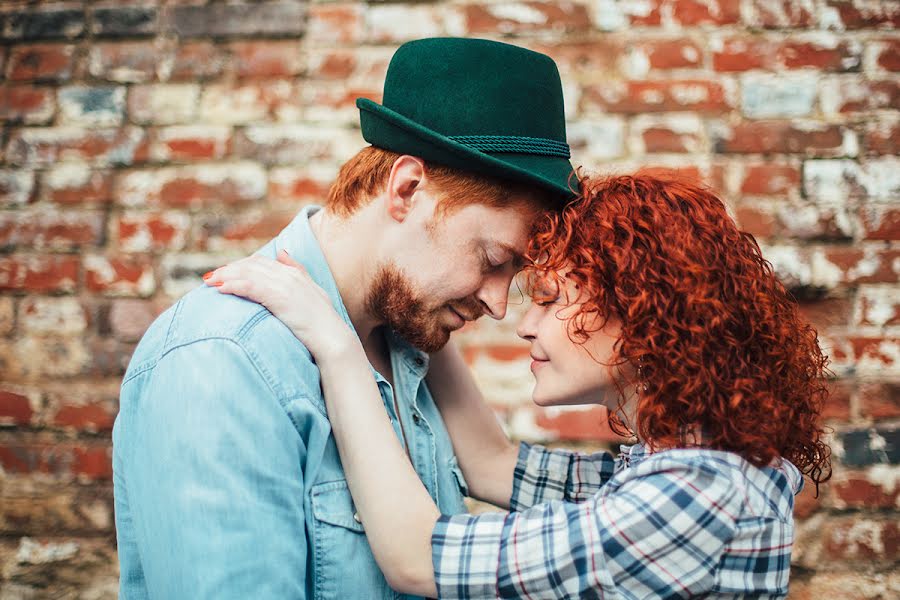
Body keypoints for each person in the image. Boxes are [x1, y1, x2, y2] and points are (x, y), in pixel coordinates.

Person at [206, 172, 832, 599]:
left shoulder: (690, 495)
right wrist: (424, 305)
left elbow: (415, 557)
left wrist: (337, 347)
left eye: (551, 299)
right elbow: (493, 466)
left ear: (640, 311)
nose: (520, 322)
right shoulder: (683, 462)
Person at [112, 38, 577, 598]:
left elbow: (491, 472)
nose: (500, 305)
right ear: (406, 189)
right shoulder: (222, 360)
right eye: (492, 260)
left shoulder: (408, 341)